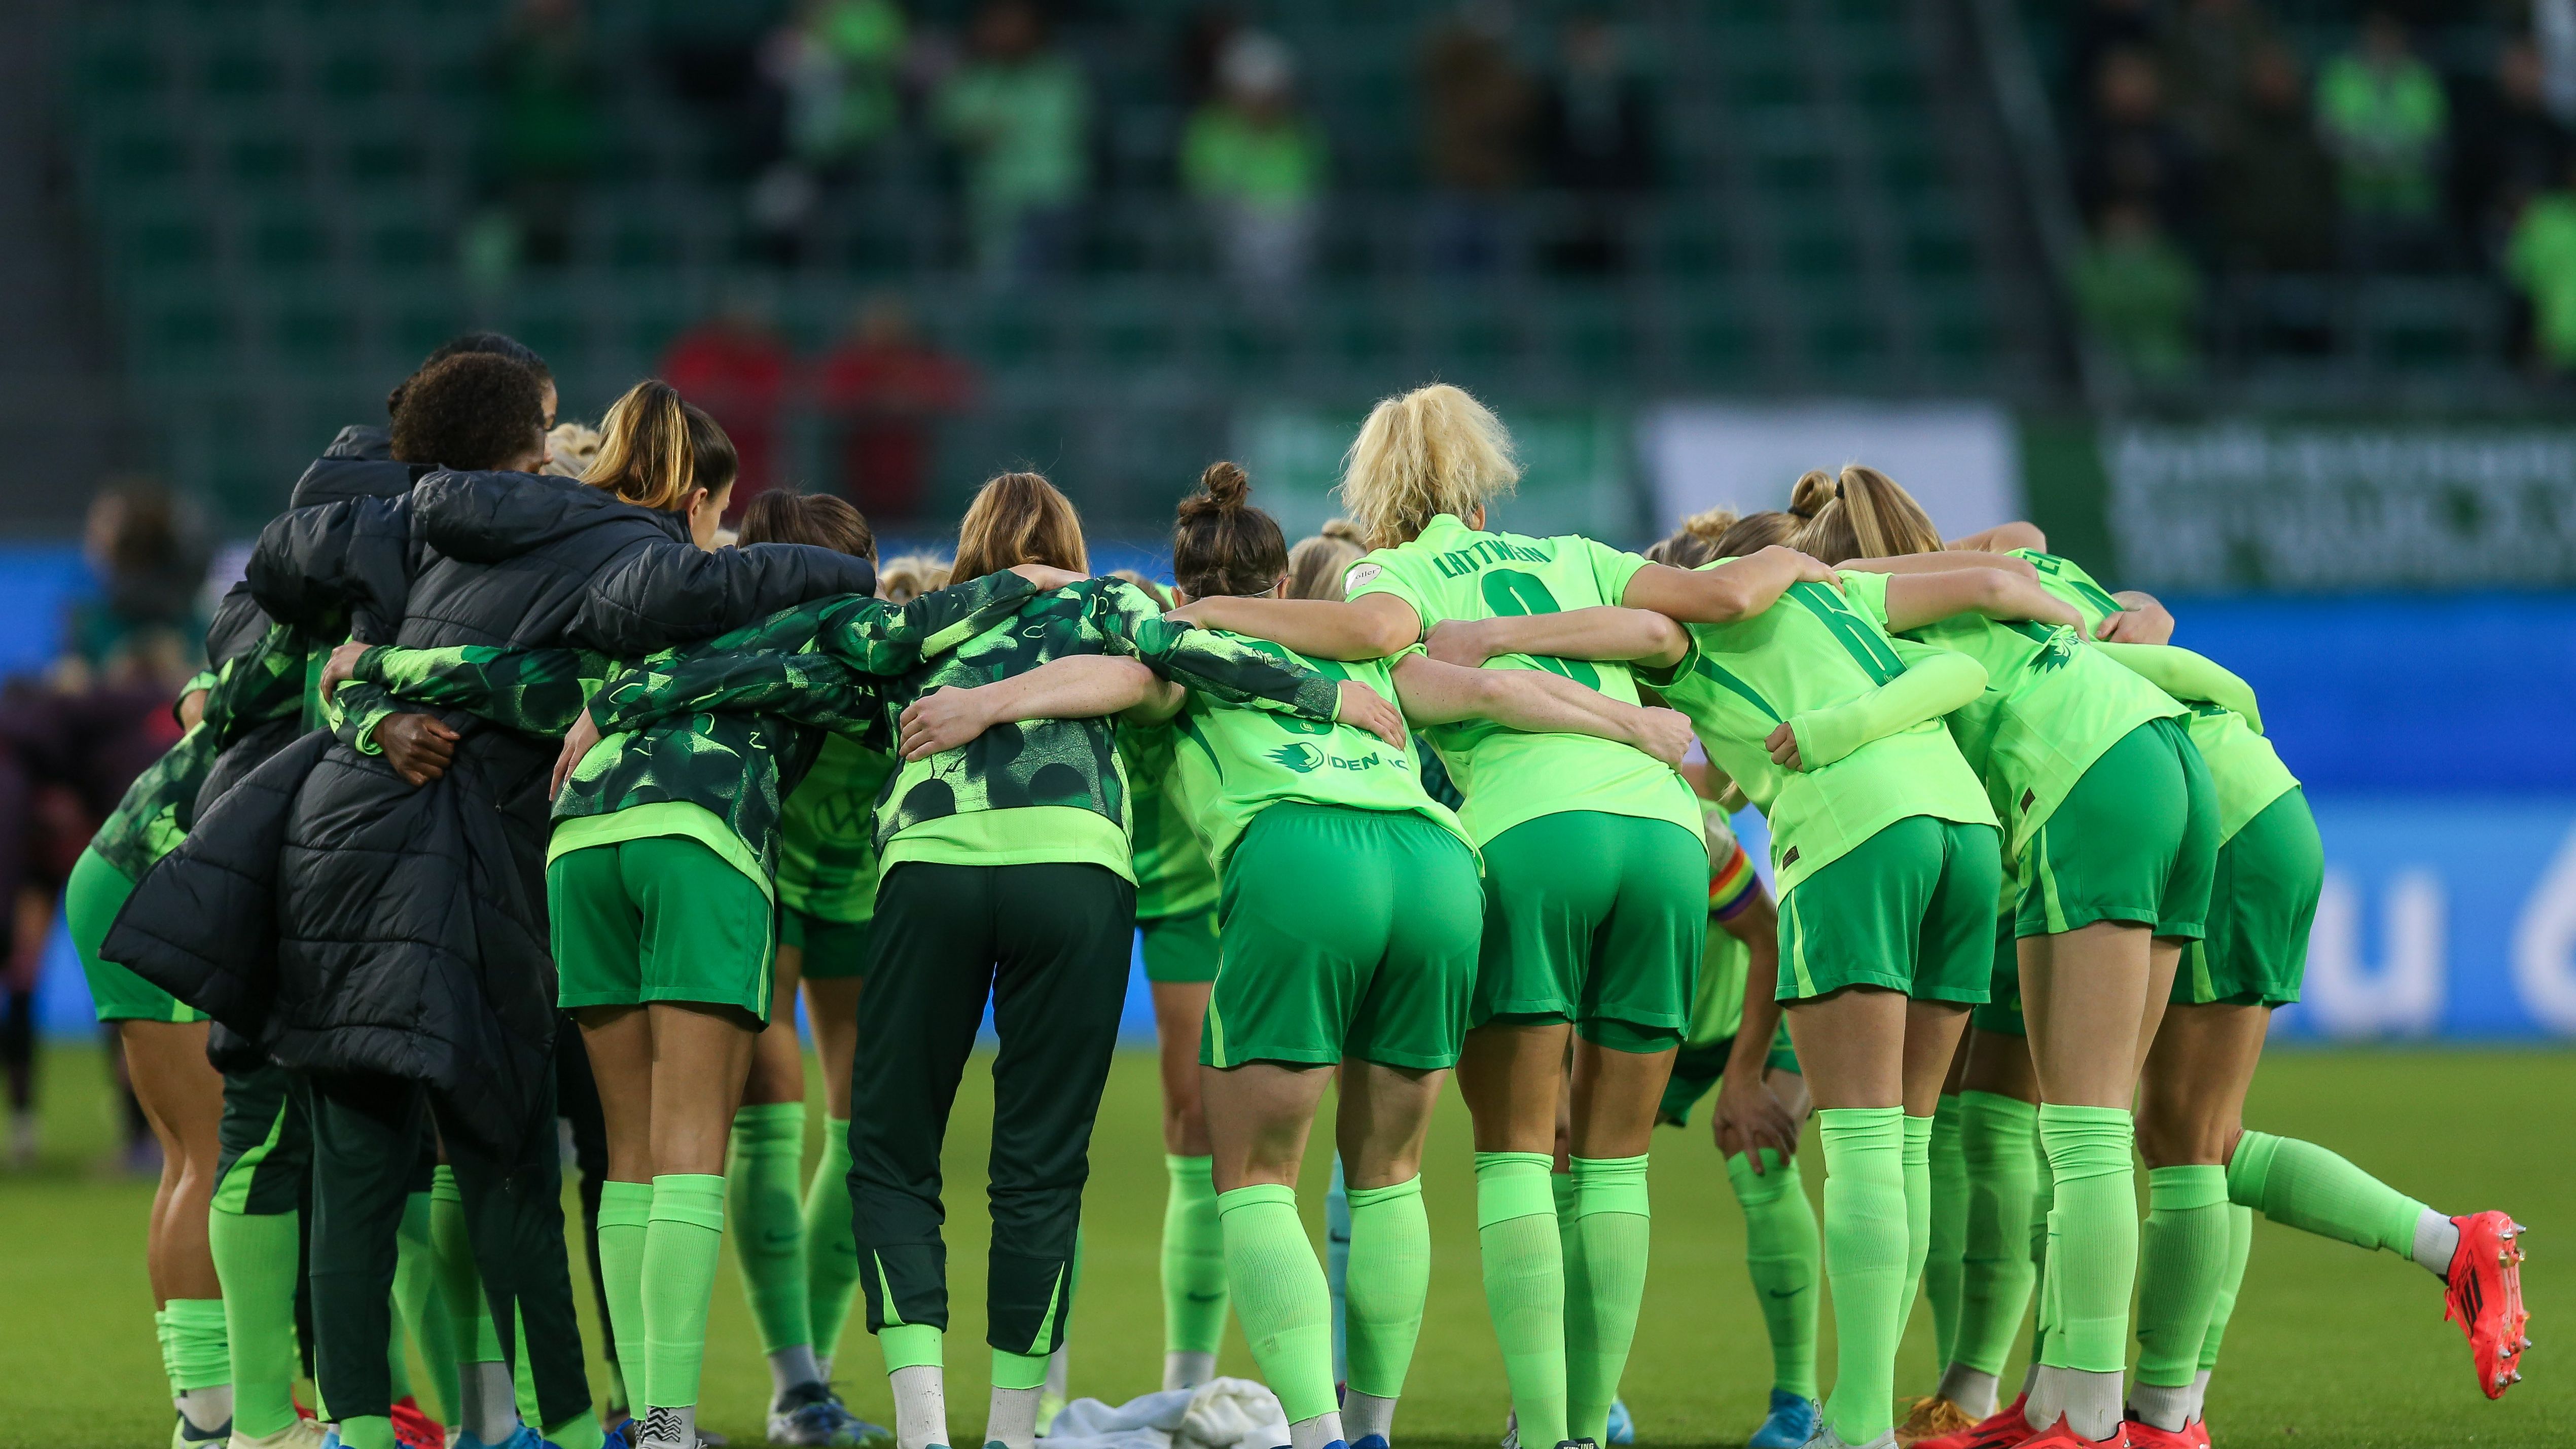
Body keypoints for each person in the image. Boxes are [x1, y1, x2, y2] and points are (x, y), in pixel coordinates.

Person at [113, 369, 882, 1449]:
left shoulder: (406, 521)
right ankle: (558, 1429)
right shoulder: (604, 548)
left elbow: (284, 589)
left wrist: (366, 688)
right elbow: (644, 631)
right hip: (457, 863)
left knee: (341, 1164)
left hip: (305, 850)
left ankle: (304, 1429)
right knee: (508, 1160)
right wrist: (847, 572)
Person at [563, 470, 1393, 1449]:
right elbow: (1195, 651)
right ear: (1070, 550)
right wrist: (1332, 696)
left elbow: (763, 666)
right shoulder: (1112, 600)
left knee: (889, 1151)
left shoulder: (912, 631)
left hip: (931, 869)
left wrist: (616, 706)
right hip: (1077, 872)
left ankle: (922, 1431)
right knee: (1042, 1167)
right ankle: (1009, 1431)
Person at [327, 499, 1089, 1449]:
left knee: (627, 1155)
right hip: (701, 838)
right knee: (688, 1145)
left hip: (581, 845)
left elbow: (506, 678)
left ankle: (650, 1414)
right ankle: (667, 1426)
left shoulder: (651, 618)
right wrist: (1026, 580)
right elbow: (904, 628)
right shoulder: (830, 626)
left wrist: (370, 674)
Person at [1163, 383, 1842, 1449]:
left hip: (1528, 834)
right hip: (1665, 836)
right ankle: (1584, 1421)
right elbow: (1693, 615)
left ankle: (1544, 1430)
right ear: (1485, 479)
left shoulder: (1392, 571)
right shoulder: (1575, 550)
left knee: (1520, 1155)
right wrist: (1800, 562)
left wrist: (1199, 612)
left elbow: (1403, 651)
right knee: (1615, 1164)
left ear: (1374, 493)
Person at [1423, 501, 2093, 1449]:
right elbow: (1997, 583)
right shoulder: (1842, 593)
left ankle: (1845, 1421)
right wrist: (2098, 619)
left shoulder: (1696, 633)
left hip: (1854, 833)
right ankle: (1876, 1404)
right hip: (1966, 836)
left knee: (1856, 1147)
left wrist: (1490, 635)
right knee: (1906, 1141)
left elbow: (1654, 627)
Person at [1929, 534, 2532, 1445]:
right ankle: (2135, 1408)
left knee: (2152, 1133)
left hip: (2198, 815)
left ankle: (2448, 1247)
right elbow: (2087, 576)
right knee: (2183, 1134)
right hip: (2244, 796)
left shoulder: (1932, 626)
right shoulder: (2028, 576)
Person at [1785, 466, 2230, 1449]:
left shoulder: (1874, 613)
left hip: (2085, 786)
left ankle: (2084, 1419)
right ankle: (2077, 1403)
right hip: (2170, 762)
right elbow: (2017, 536)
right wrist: (2125, 607)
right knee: (2099, 1124)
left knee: (2081, 1132)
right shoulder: (1993, 577)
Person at [933, 0, 1091, 279]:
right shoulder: (974, 78)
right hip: (990, 204)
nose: (1005, 32)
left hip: (1051, 199)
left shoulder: (1058, 78)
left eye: (1014, 24)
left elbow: (1062, 130)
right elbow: (949, 123)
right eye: (999, 25)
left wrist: (994, 128)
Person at [1181, 31, 1329, 292]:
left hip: (1290, 235)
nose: (1261, 100)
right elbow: (1203, 187)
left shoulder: (1302, 133)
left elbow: (1313, 189)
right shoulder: (1208, 128)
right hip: (1227, 234)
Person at [814, 297, 977, 523]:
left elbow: (963, 392)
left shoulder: (916, 364)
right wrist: (874, 402)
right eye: (877, 327)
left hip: (913, 489)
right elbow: (826, 397)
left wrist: (914, 401)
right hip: (855, 485)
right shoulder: (852, 362)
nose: (884, 334)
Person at [2316, 10, 2449, 269]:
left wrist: (2390, 156)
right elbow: (2327, 137)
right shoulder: (2342, 77)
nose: (2384, 44)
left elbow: (2436, 142)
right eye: (2377, 36)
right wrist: (2367, 155)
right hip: (2355, 199)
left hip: (2413, 202)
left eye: (2390, 37)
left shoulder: (2421, 81)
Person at [661, 298, 794, 509]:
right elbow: (681, 399)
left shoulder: (766, 357)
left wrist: (734, 401)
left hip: (754, 477)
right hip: (699, 471)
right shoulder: (699, 353)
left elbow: (782, 399)